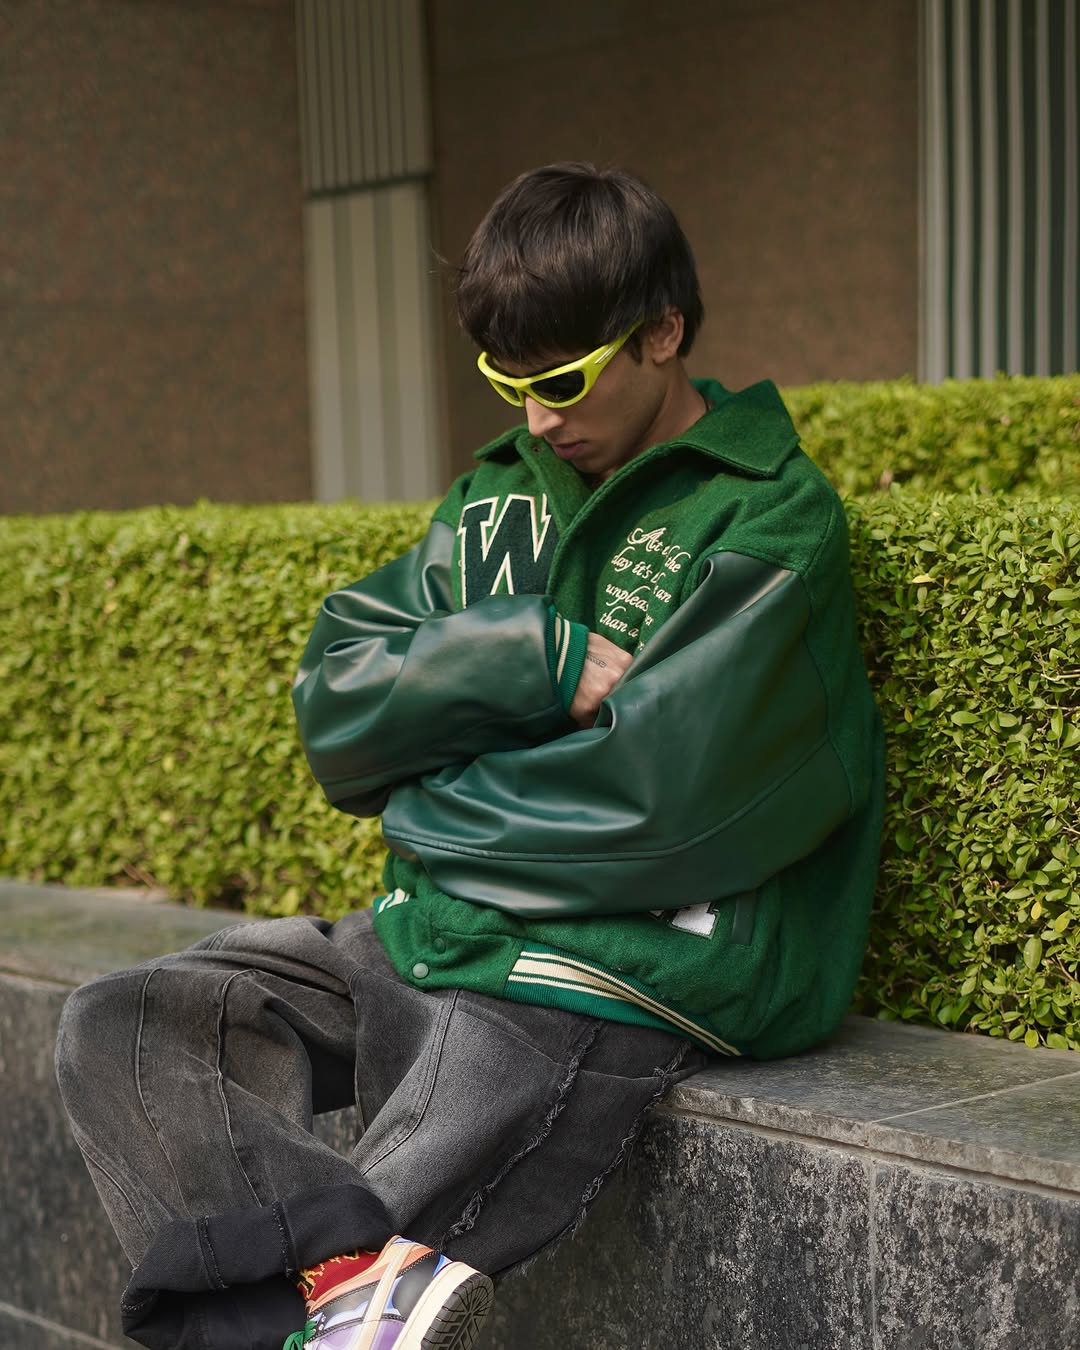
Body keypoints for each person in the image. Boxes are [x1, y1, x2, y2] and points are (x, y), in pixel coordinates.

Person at [55, 162, 884, 1350]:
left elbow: (659, 808)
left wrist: (426, 788)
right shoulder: (489, 500)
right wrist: (529, 661)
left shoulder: (771, 517)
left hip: (621, 966)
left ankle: (328, 1297)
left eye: (561, 379)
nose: (538, 418)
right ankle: (348, 1295)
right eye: (508, 382)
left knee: (389, 1182)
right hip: (435, 930)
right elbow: (341, 717)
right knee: (126, 1020)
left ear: (664, 330)